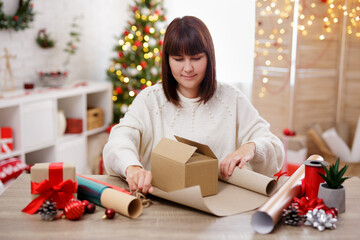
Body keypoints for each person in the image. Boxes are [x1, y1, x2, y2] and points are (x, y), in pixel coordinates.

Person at [103, 16, 284, 195]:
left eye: (196, 58)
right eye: (178, 59)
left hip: (221, 204)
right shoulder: (150, 100)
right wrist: (132, 167)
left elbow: (274, 148)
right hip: (162, 205)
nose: (188, 68)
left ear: (209, 58)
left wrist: (250, 147)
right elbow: (119, 140)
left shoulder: (231, 98)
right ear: (167, 60)